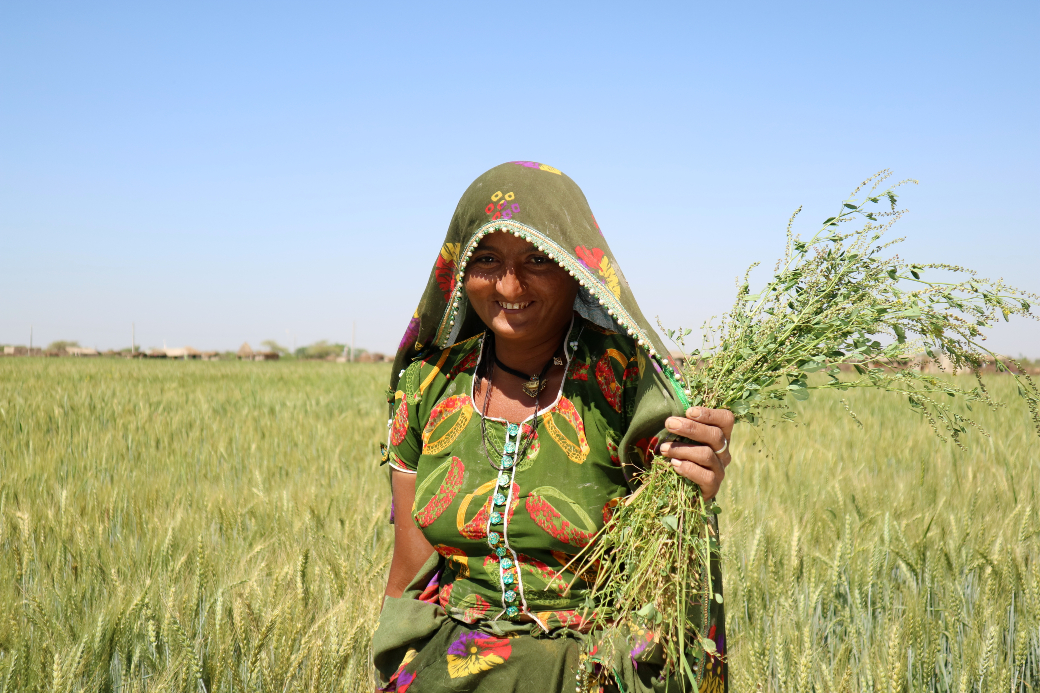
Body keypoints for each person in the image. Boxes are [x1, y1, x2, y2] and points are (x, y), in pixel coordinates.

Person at [373, 162, 733, 693]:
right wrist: (396, 671)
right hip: (449, 669)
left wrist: (700, 478)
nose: (509, 284)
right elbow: (409, 564)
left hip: (591, 670)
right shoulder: (428, 384)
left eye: (537, 259)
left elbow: (671, 563)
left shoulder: (629, 383)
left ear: (574, 266)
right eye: (487, 259)